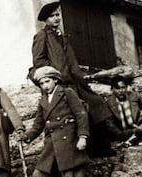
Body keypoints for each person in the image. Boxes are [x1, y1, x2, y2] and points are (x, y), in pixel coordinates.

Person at [31, 0, 115, 158]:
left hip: (75, 80)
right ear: (45, 19)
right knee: (77, 111)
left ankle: (101, 146)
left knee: (95, 103)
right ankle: (91, 149)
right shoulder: (41, 36)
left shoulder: (61, 36)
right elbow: (39, 62)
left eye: (58, 15)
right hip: (60, 83)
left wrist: (79, 77)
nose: (56, 18)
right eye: (52, 16)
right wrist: (54, 78)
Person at [19, 66, 90, 177]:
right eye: (41, 83)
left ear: (55, 80)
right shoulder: (43, 100)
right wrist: (27, 137)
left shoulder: (67, 93)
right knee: (40, 176)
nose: (45, 85)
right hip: (51, 145)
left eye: (47, 81)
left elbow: (81, 114)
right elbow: (38, 124)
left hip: (69, 142)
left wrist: (83, 137)